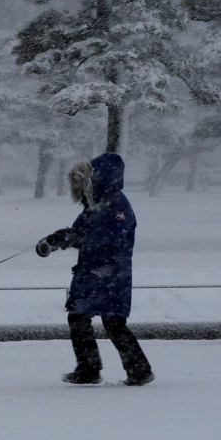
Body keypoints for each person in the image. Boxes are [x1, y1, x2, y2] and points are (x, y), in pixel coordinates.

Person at [35, 153, 154, 386]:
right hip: (93, 273)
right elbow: (82, 233)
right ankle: (92, 369)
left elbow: (110, 238)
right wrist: (56, 240)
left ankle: (134, 371)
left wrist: (77, 237)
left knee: (112, 324)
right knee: (80, 318)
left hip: (110, 274)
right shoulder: (96, 203)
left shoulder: (118, 205)